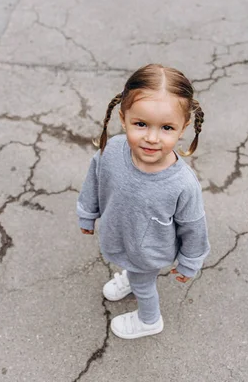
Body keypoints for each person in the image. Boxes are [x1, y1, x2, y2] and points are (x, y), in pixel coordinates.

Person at [76, 64, 211, 339]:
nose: (151, 137)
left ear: (183, 127)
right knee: (131, 266)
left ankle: (149, 320)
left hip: (149, 252)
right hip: (121, 235)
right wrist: (87, 214)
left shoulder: (182, 184)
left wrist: (189, 263)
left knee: (144, 283)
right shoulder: (112, 151)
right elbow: (94, 182)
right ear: (123, 118)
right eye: (141, 124)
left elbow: (193, 227)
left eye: (166, 127)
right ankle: (130, 275)